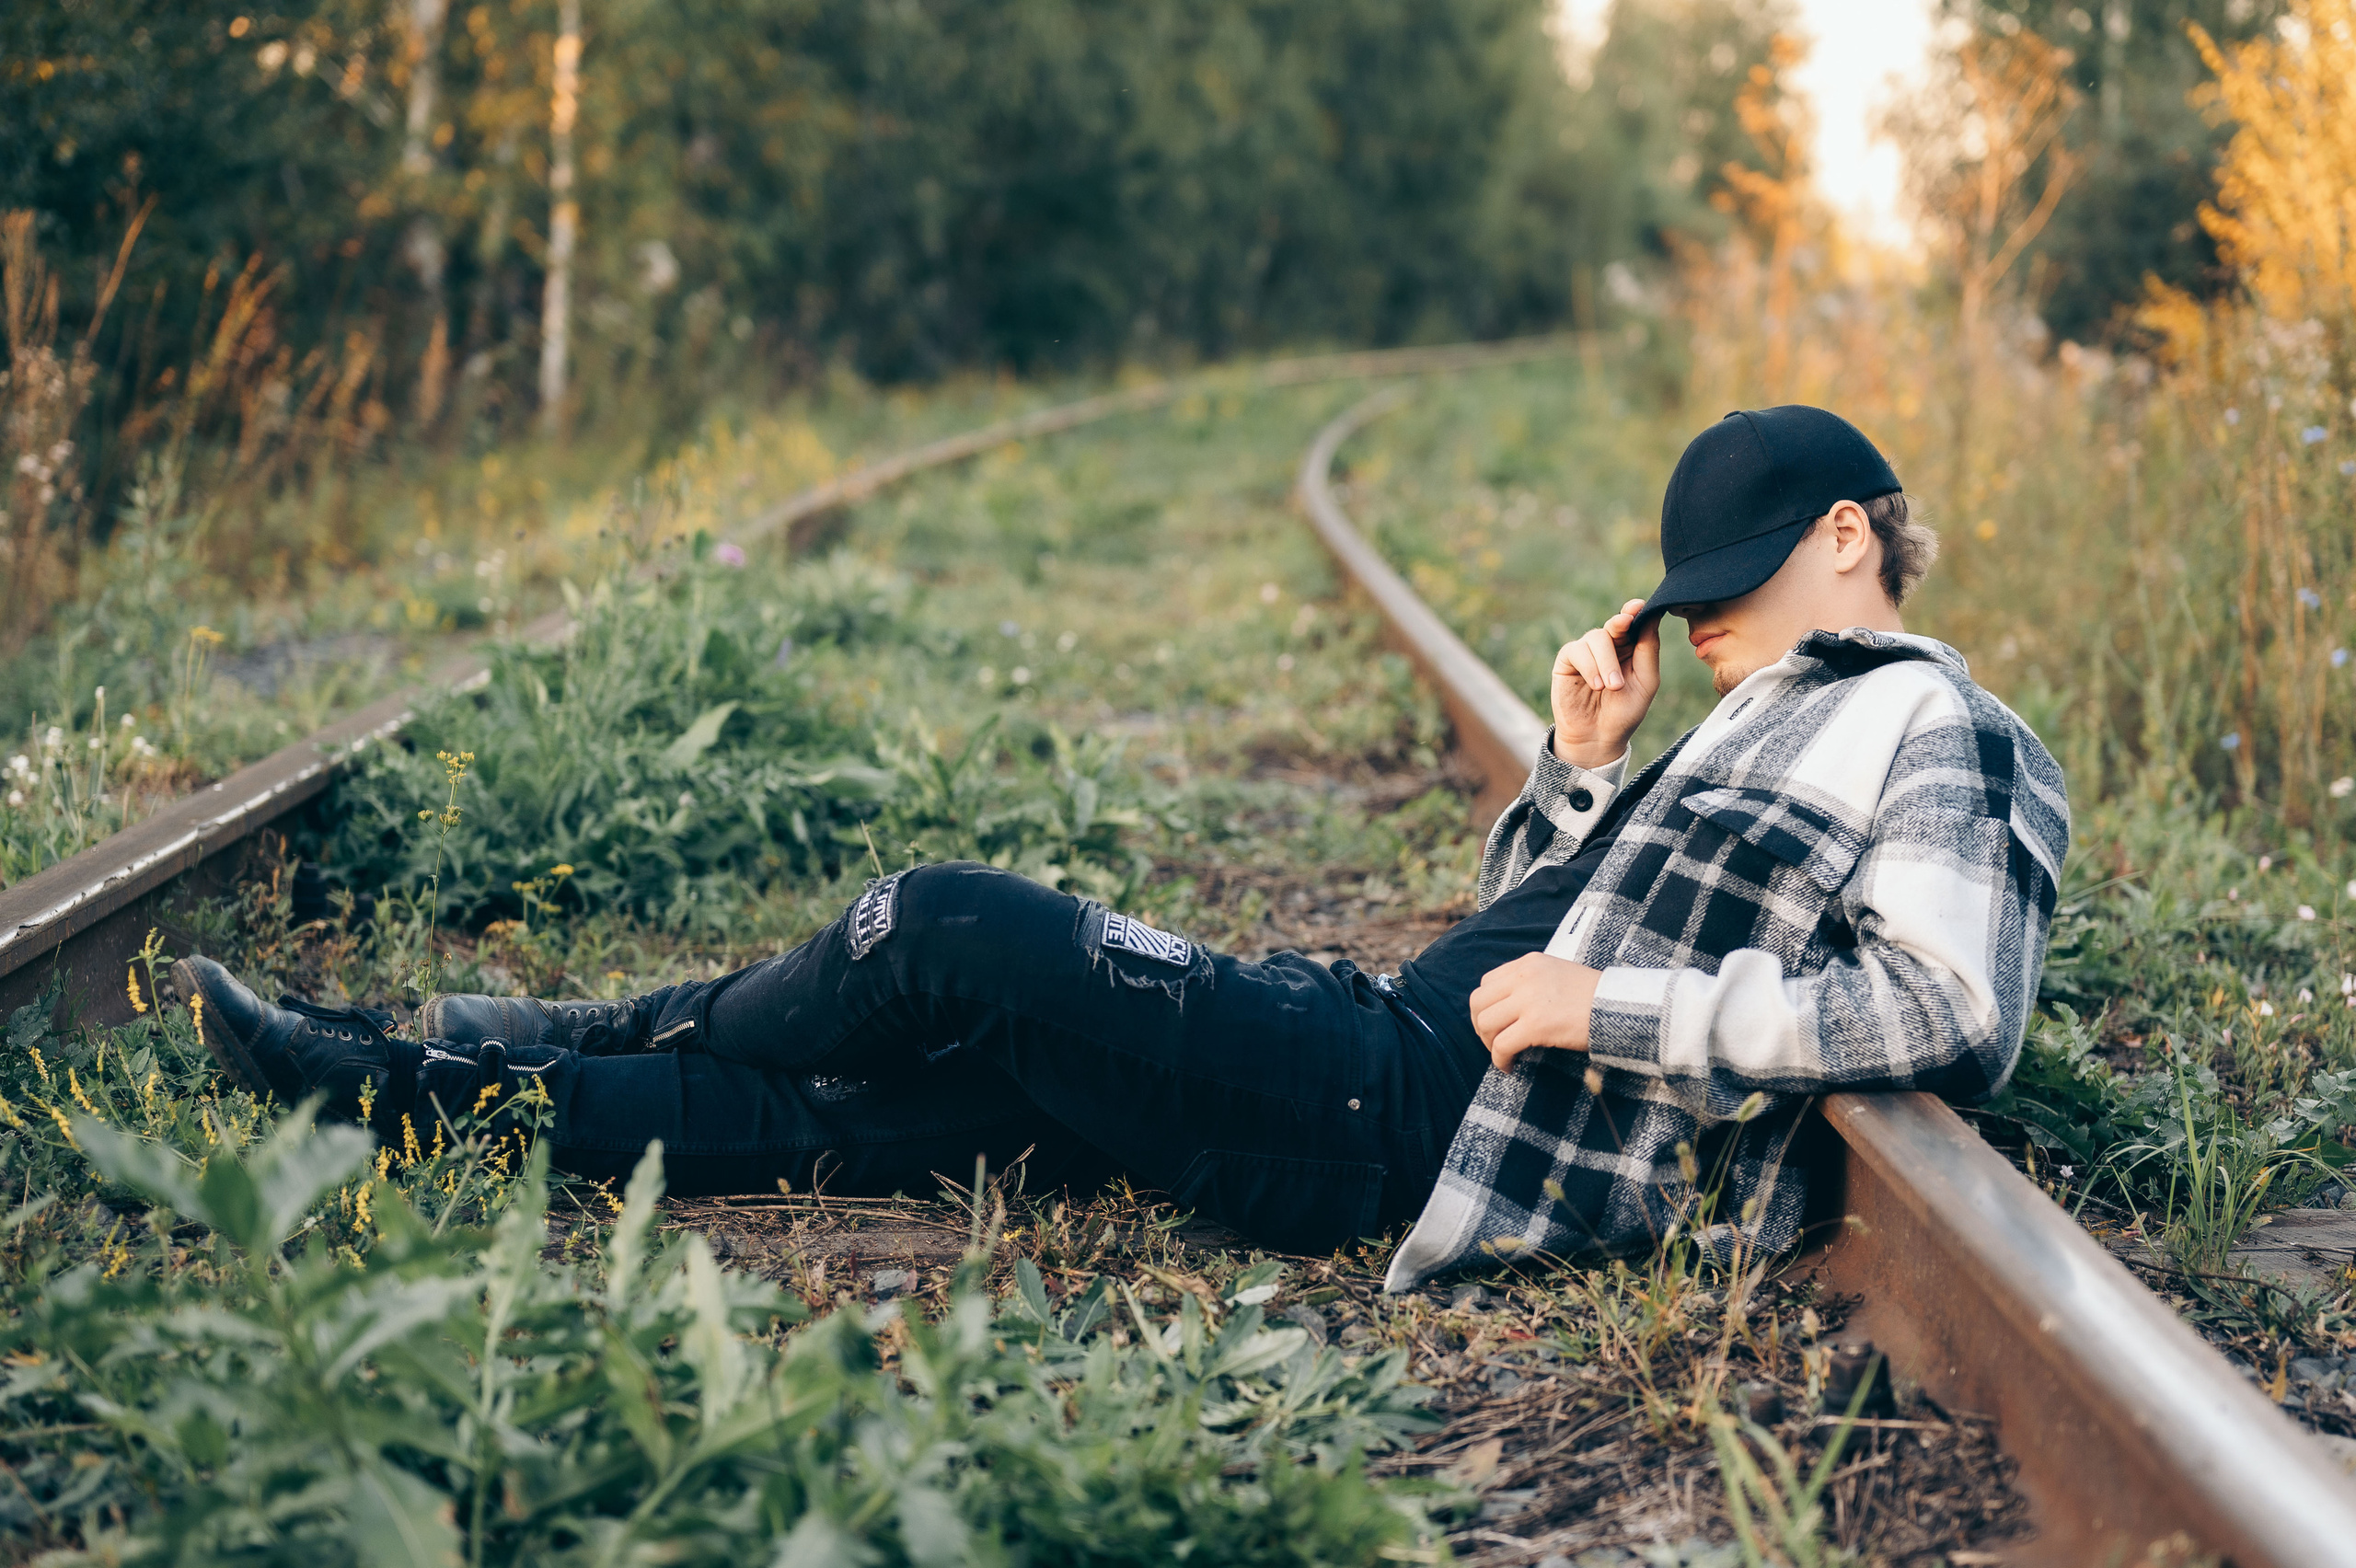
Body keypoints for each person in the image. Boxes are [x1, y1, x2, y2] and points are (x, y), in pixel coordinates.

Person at [178, 405, 2068, 1289]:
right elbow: (1523, 944)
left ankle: (523, 1032)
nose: (1702, 618)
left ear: (1846, 535)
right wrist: (1580, 779)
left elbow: (1945, 1008)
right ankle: (408, 1098)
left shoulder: (1944, 733)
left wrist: (1616, 1003)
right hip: (1369, 1054)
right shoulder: (1745, 716)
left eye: (1728, 585)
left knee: (938, 926)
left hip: (1398, 1119)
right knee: (892, 1097)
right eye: (1687, 591)